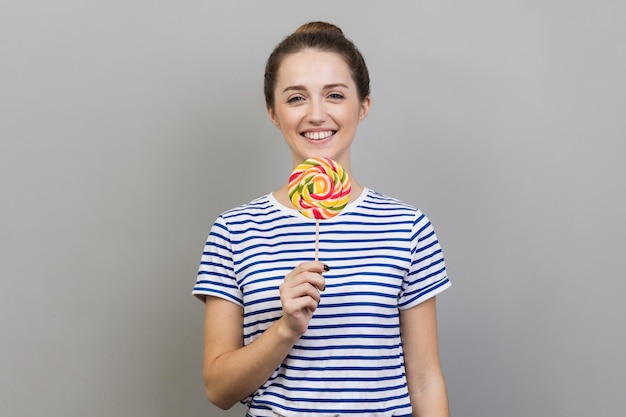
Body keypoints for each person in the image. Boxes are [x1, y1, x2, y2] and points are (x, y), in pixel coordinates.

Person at [193, 21, 451, 417]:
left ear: (362, 106)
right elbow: (218, 389)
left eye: (334, 95)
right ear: (273, 113)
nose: (316, 114)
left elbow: (425, 380)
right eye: (296, 98)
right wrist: (285, 329)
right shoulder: (233, 230)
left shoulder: (407, 227)